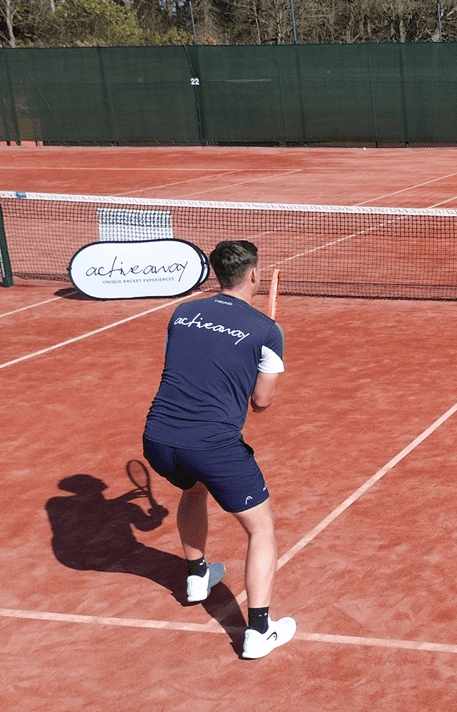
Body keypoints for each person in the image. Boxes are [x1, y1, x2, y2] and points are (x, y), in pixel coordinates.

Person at [142, 240, 294, 660]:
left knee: (192, 491)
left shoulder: (183, 312)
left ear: (217, 274)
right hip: (212, 445)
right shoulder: (267, 331)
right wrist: (266, 363)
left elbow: (198, 361)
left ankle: (196, 576)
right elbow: (261, 404)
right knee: (260, 529)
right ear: (254, 275)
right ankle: (260, 631)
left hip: (158, 439)